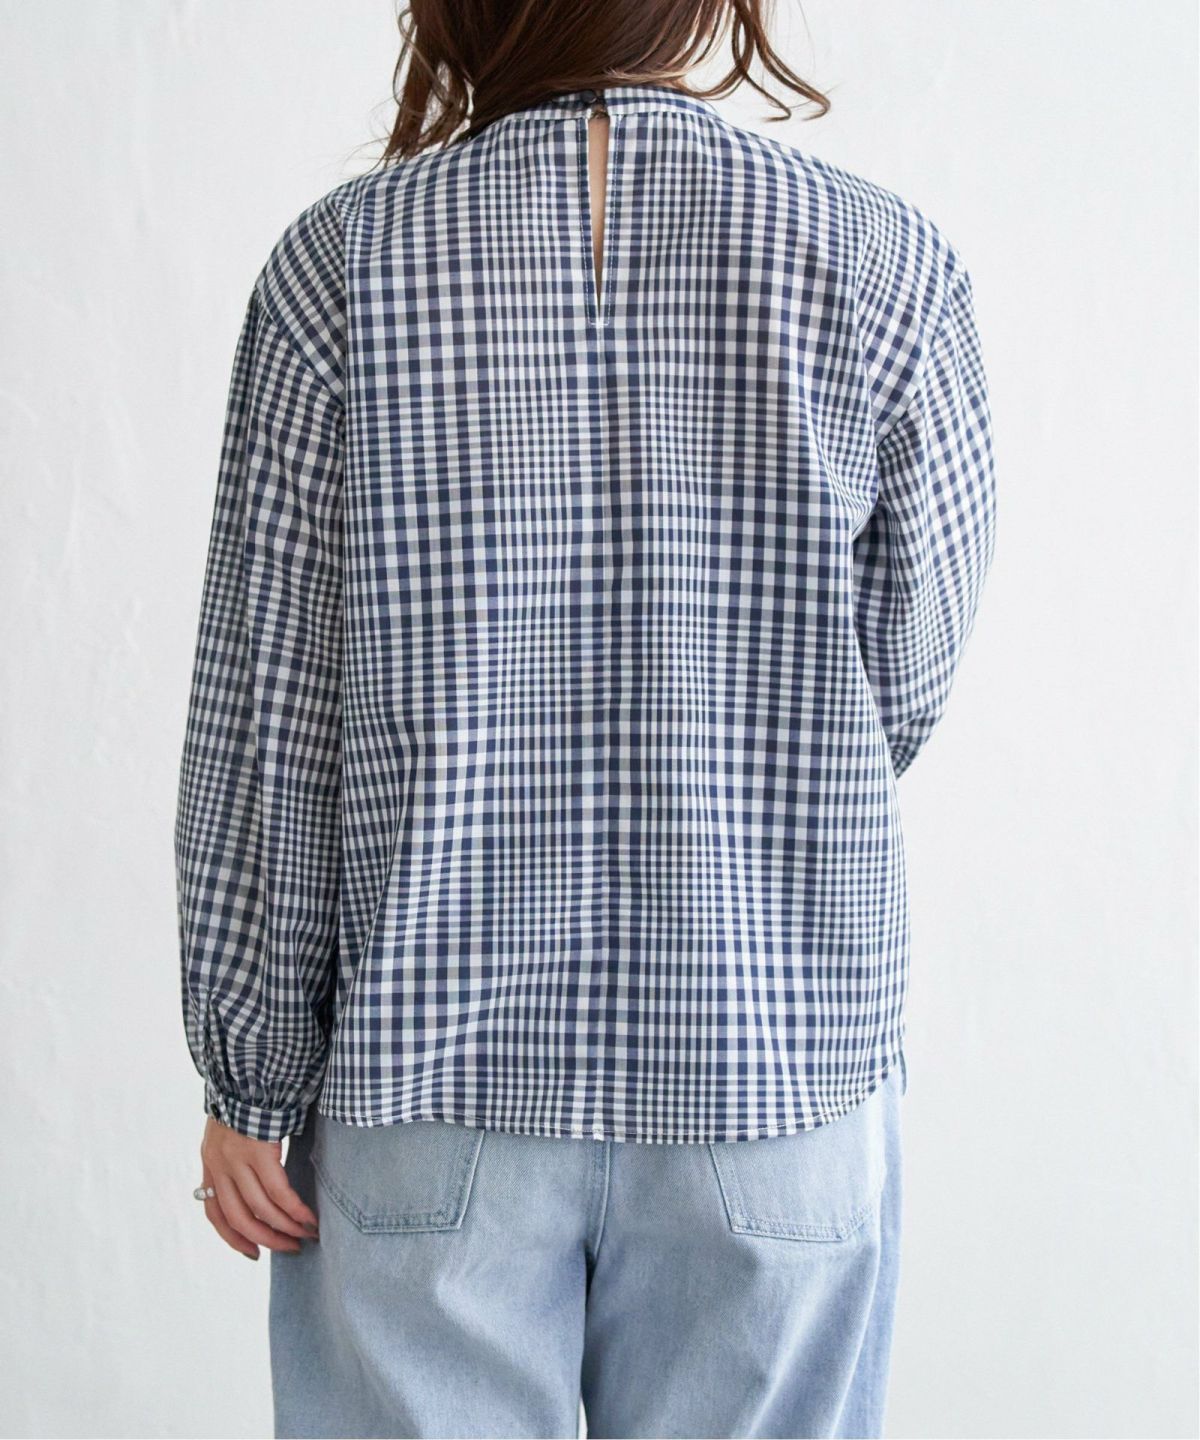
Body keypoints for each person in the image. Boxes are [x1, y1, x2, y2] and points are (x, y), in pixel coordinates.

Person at [174, 1, 997, 1435]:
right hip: (771, 1055)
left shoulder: (341, 266)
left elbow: (273, 718)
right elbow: (901, 678)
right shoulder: (885, 262)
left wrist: (251, 1073)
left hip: (430, 1071)